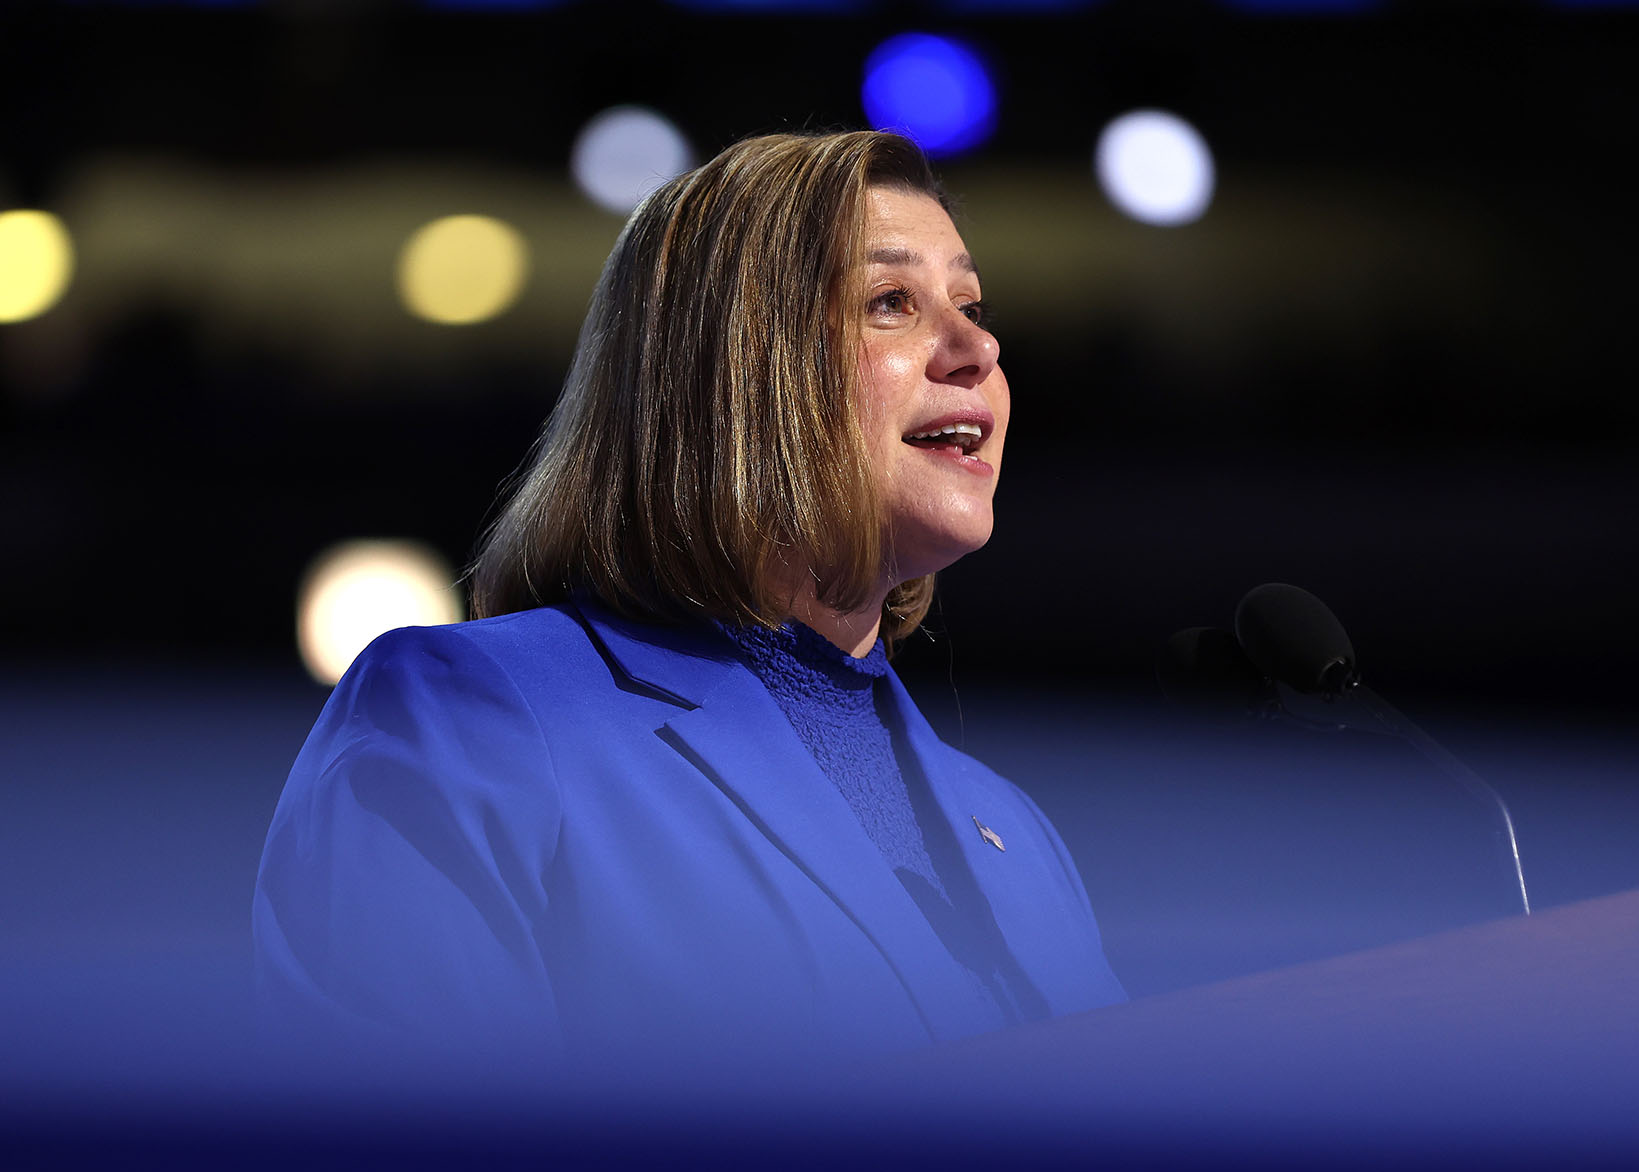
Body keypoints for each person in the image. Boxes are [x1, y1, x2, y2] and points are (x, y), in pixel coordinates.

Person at [254, 131, 1125, 1074]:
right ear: (731, 372)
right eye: (890, 303)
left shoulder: (1016, 835)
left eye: (971, 303)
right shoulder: (470, 720)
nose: (979, 347)